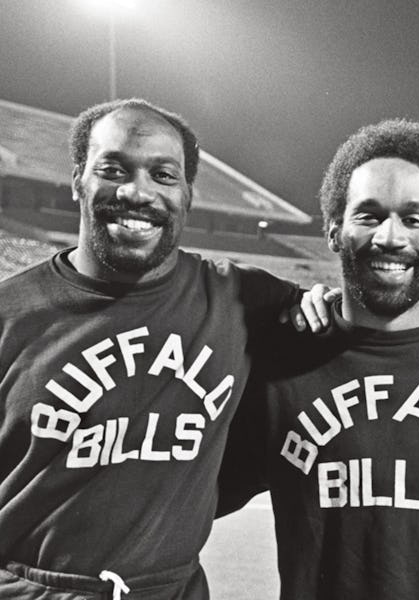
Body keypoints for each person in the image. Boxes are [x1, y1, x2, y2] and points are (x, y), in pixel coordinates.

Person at [0, 98, 304, 599]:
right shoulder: (10, 315)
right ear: (78, 179)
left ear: (187, 194)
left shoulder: (242, 299)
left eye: (163, 175)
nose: (137, 192)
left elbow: (366, 329)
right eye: (113, 170)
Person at [218, 118, 419, 599]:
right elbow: (187, 497)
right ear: (333, 231)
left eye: (413, 218)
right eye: (369, 215)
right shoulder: (277, 362)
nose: (390, 237)